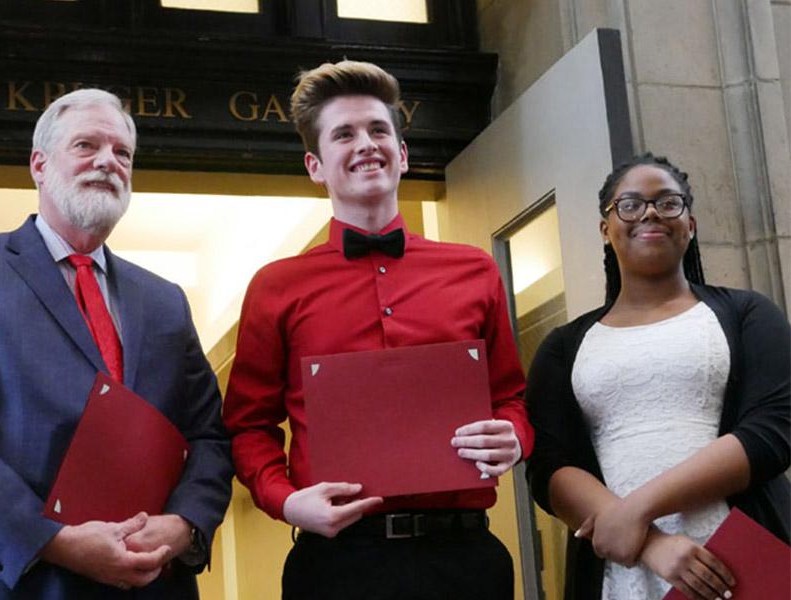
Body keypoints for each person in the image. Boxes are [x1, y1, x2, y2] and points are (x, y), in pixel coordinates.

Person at [223, 60, 533, 599]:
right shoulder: (276, 286)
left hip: (465, 563)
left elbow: (511, 397)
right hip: (336, 567)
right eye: (344, 134)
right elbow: (248, 426)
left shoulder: (475, 269)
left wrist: (515, 439)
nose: (365, 143)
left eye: (378, 130)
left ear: (403, 154)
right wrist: (285, 500)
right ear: (315, 165)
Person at [0, 89, 234, 599]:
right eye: (86, 145)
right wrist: (53, 540)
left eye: (123, 153)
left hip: (157, 583)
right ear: (39, 164)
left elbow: (209, 436)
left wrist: (185, 522)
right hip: (30, 582)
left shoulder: (166, 300)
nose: (107, 162)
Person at [525, 153, 790, 600]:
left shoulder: (747, 314)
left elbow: (773, 431)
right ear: (605, 229)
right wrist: (648, 542)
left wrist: (637, 510)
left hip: (737, 553)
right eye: (629, 204)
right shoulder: (563, 346)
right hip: (623, 567)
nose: (649, 212)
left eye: (668, 203)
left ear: (691, 223)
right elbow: (549, 465)